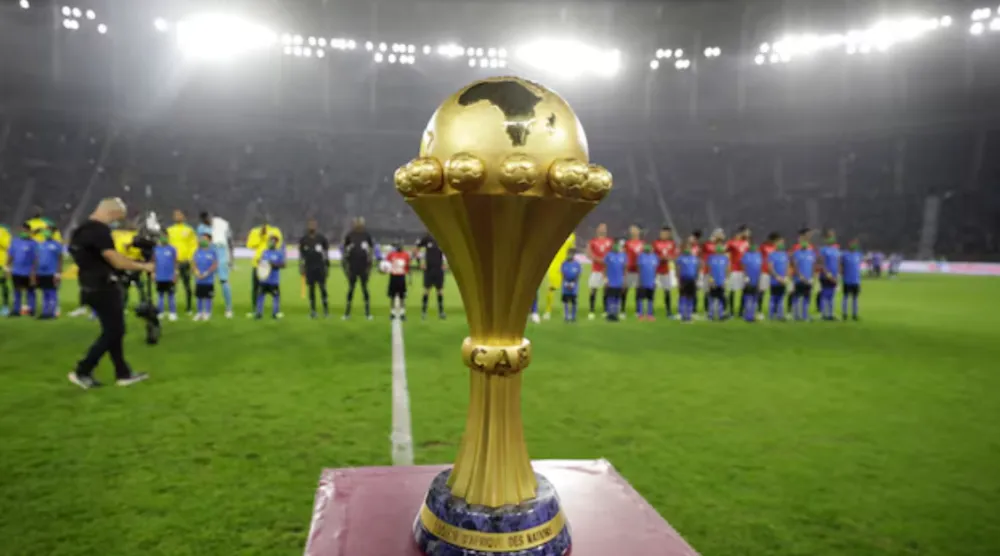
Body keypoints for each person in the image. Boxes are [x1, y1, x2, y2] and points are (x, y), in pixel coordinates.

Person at [66, 198, 151, 389]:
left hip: (87, 286)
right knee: (115, 331)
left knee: (113, 330)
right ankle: (83, 370)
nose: (117, 222)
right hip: (104, 286)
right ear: (112, 213)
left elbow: (92, 258)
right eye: (117, 218)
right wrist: (144, 266)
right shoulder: (100, 231)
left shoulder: (79, 230)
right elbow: (115, 260)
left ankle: (123, 373)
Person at [246, 218, 283, 317]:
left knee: (273, 290)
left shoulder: (275, 231)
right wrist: (260, 236)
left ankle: (275, 311)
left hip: (271, 263)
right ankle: (256, 310)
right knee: (256, 288)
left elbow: (278, 244)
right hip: (258, 265)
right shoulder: (254, 231)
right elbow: (250, 245)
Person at [200, 211, 234, 318]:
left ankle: (228, 308)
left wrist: (231, 258)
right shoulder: (201, 228)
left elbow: (229, 240)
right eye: (205, 221)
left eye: (208, 220)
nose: (207, 222)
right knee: (206, 282)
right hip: (208, 255)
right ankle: (206, 310)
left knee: (224, 282)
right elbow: (200, 243)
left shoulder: (222, 223)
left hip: (221, 254)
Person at [342, 217, 374, 320]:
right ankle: (347, 313)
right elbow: (344, 251)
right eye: (357, 223)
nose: (358, 225)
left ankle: (368, 312)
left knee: (364, 289)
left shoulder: (366, 235)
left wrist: (369, 266)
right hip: (353, 267)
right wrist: (346, 267)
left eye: (360, 223)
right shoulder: (349, 235)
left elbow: (371, 250)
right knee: (351, 289)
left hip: (363, 267)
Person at [167, 210, 197, 315]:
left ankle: (188, 307)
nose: (177, 217)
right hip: (173, 262)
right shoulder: (169, 230)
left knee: (187, 285)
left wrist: (190, 259)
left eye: (179, 215)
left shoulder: (189, 230)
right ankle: (172, 307)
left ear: (184, 217)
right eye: (175, 215)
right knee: (172, 285)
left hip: (185, 261)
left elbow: (193, 245)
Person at [299, 218, 331, 319]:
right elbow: (301, 255)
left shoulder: (321, 238)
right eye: (310, 225)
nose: (312, 226)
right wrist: (301, 266)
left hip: (320, 267)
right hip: (309, 268)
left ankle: (326, 312)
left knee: (323, 289)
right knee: (311, 290)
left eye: (314, 224)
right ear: (308, 226)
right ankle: (313, 311)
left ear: (316, 226)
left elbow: (326, 253)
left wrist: (327, 266)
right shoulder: (304, 240)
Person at [543, 231, 576, 320]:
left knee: (568, 287)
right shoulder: (554, 232)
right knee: (551, 288)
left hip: (565, 264)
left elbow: (572, 250)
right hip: (554, 264)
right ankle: (548, 310)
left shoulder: (572, 236)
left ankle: (567, 311)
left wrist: (571, 263)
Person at [8, 223, 37, 317]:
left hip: (28, 272)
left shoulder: (34, 243)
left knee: (30, 291)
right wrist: (7, 267)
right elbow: (11, 255)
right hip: (16, 271)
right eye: (22, 230)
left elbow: (36, 259)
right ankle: (16, 310)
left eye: (25, 231)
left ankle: (31, 309)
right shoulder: (15, 242)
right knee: (17, 291)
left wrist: (33, 272)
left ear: (29, 231)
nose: (23, 232)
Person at [586, 223, 613, 320]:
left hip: (606, 270)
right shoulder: (593, 241)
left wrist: (606, 261)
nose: (603, 229)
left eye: (604, 228)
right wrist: (598, 259)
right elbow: (588, 254)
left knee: (606, 290)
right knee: (593, 290)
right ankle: (591, 311)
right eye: (601, 228)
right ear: (597, 230)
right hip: (596, 270)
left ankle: (605, 310)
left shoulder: (610, 241)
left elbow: (612, 254)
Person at [417, 232, 446, 320]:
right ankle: (424, 312)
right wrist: (420, 262)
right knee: (426, 290)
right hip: (428, 269)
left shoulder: (443, 237)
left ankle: (441, 312)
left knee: (440, 291)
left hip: (438, 269)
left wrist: (446, 263)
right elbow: (416, 249)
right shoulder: (427, 238)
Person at [35, 228, 63, 319]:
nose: (46, 233)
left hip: (52, 272)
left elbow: (60, 259)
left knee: (52, 293)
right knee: (44, 293)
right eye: (45, 231)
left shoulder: (57, 245)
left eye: (48, 231)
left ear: (52, 233)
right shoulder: (41, 245)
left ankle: (52, 313)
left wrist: (58, 273)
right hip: (41, 273)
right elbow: (37, 259)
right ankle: (45, 312)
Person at [255, 236, 285, 320]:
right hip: (264, 279)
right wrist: (259, 262)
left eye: (272, 241)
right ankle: (259, 313)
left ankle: (275, 313)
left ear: (276, 243)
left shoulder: (279, 253)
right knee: (260, 296)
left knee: (276, 297)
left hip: (274, 280)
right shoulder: (265, 252)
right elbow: (261, 263)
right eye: (269, 241)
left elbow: (283, 265)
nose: (270, 243)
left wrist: (273, 264)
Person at [651, 226, 678, 318]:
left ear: (669, 234)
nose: (664, 235)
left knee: (667, 290)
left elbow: (674, 255)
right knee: (652, 289)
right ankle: (651, 311)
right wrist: (659, 258)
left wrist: (669, 258)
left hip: (665, 269)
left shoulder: (672, 243)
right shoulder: (655, 243)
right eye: (662, 233)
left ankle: (669, 311)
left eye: (666, 233)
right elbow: (651, 255)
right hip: (655, 269)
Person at [153, 232, 179, 321]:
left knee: (171, 295)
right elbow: (154, 262)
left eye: (165, 237)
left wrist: (175, 273)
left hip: (170, 276)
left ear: (168, 238)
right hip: (159, 276)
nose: (164, 238)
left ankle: (173, 313)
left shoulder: (172, 249)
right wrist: (153, 273)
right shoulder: (155, 249)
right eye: (162, 237)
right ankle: (160, 312)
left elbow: (175, 262)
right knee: (160, 295)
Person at [726, 225, 751, 317]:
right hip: (734, 270)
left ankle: (741, 311)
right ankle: (731, 311)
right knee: (732, 291)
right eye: (747, 232)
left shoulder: (746, 243)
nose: (749, 234)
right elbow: (725, 252)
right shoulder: (731, 242)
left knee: (744, 291)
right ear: (742, 232)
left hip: (744, 271)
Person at [192, 233, 218, 321]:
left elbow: (215, 264)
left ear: (210, 241)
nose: (203, 241)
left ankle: (207, 313)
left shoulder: (212, 252)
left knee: (208, 297)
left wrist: (206, 273)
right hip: (199, 279)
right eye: (202, 239)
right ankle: (199, 313)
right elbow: (194, 264)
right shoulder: (197, 251)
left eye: (205, 239)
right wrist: (197, 272)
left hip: (208, 280)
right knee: (199, 297)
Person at [787, 228, 812, 316]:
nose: (810, 236)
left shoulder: (810, 247)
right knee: (793, 292)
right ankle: (790, 310)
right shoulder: (796, 247)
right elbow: (791, 260)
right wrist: (790, 272)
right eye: (808, 234)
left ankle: (804, 312)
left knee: (806, 293)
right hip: (795, 274)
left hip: (807, 274)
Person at [817, 229, 841, 321]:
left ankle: (830, 314)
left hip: (834, 276)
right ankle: (824, 314)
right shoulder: (823, 250)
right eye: (830, 236)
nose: (832, 238)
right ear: (826, 238)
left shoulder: (836, 249)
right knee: (825, 294)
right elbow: (821, 263)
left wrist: (837, 275)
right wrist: (827, 274)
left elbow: (838, 263)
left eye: (833, 236)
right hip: (825, 275)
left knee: (831, 295)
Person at [791, 237, 817, 321]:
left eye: (806, 242)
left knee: (807, 297)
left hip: (808, 279)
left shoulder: (812, 253)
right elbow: (795, 266)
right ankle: (796, 315)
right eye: (803, 242)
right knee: (797, 297)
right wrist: (800, 276)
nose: (805, 244)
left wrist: (813, 277)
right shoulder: (796, 253)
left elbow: (813, 266)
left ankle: (805, 315)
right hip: (799, 279)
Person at [623, 225, 645, 319]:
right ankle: (622, 310)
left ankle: (638, 310)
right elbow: (624, 256)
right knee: (625, 290)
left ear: (639, 231)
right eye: (631, 230)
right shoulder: (627, 244)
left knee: (638, 291)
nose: (633, 232)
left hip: (639, 271)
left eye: (635, 230)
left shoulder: (643, 244)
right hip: (629, 270)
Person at [385, 242, 411, 321]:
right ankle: (392, 313)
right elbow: (386, 265)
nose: (399, 248)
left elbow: (408, 267)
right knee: (392, 297)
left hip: (401, 277)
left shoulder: (406, 255)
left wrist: (410, 278)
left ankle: (402, 314)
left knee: (402, 297)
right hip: (393, 277)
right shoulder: (391, 255)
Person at [701, 229, 724, 315]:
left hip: (718, 272)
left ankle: (718, 310)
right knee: (708, 290)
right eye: (720, 234)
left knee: (719, 291)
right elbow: (702, 248)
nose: (721, 235)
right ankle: (707, 310)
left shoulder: (721, 245)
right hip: (708, 271)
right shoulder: (707, 244)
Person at [675, 244, 700, 322]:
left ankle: (689, 315)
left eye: (688, 248)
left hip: (692, 280)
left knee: (691, 297)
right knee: (683, 296)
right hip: (683, 279)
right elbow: (678, 270)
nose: (687, 249)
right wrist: (678, 281)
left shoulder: (694, 258)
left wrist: (697, 279)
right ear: (683, 249)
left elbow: (697, 269)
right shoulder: (680, 258)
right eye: (686, 248)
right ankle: (682, 315)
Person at [767, 238, 790, 320]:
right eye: (779, 243)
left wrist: (786, 277)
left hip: (783, 280)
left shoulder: (785, 255)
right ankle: (771, 315)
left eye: (782, 243)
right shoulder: (772, 255)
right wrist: (777, 277)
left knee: (781, 297)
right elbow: (770, 268)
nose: (781, 244)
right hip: (774, 280)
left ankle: (780, 315)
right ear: (775, 244)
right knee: (773, 297)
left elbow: (787, 267)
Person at [604, 241, 626, 322]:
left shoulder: (623, 256)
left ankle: (615, 314)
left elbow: (624, 269)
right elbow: (605, 268)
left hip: (619, 281)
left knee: (617, 298)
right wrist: (606, 279)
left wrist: (624, 280)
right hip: (611, 281)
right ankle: (610, 314)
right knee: (610, 298)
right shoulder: (609, 255)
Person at [705, 244, 729, 321]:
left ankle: (720, 315)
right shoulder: (711, 258)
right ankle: (711, 315)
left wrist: (725, 280)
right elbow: (709, 270)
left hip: (721, 281)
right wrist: (711, 281)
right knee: (712, 298)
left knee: (720, 298)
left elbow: (726, 270)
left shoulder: (725, 258)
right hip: (714, 281)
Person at [758, 232, 780, 316]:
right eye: (777, 240)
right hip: (765, 272)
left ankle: (774, 311)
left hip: (774, 273)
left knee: (774, 292)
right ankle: (759, 311)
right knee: (762, 291)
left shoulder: (776, 248)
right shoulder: (763, 247)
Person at [841, 239, 863, 321]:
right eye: (852, 244)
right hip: (847, 279)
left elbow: (858, 267)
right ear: (848, 245)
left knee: (855, 298)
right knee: (845, 297)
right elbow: (841, 265)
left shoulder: (858, 254)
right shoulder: (845, 255)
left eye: (855, 244)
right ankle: (844, 314)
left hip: (856, 280)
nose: (853, 245)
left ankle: (854, 314)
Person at [740, 243, 763, 323]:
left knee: (754, 297)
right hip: (748, 279)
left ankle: (752, 314)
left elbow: (759, 268)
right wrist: (746, 277)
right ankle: (747, 315)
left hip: (756, 279)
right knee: (747, 296)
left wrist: (759, 280)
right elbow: (743, 266)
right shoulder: (746, 255)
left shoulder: (758, 255)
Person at [636, 244, 658, 321]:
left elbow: (655, 269)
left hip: (651, 281)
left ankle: (650, 314)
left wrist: (655, 280)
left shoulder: (655, 257)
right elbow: (639, 268)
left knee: (650, 298)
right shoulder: (641, 256)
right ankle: (640, 314)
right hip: (643, 281)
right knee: (641, 298)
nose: (649, 250)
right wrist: (639, 280)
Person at [560, 248, 582, 323]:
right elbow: (563, 274)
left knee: (573, 301)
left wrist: (573, 283)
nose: (569, 255)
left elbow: (578, 275)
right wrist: (566, 283)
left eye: (571, 254)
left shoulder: (577, 264)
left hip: (574, 287)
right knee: (565, 301)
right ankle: (566, 316)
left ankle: (573, 317)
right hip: (565, 286)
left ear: (573, 255)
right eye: (568, 253)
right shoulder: (564, 263)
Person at [0, 223, 10, 316]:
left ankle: (5, 306)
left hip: (1, 262)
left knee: (3, 284)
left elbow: (7, 245)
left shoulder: (3, 231)